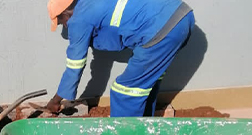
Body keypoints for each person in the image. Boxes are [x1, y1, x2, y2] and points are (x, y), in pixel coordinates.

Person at [46, 0, 195, 117]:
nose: (65, 26)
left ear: (65, 13)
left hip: (162, 27)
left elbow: (74, 66)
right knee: (146, 81)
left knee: (124, 92)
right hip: (182, 15)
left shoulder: (78, 20)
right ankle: (144, 122)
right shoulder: (90, 3)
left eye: (61, 22)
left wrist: (55, 100)